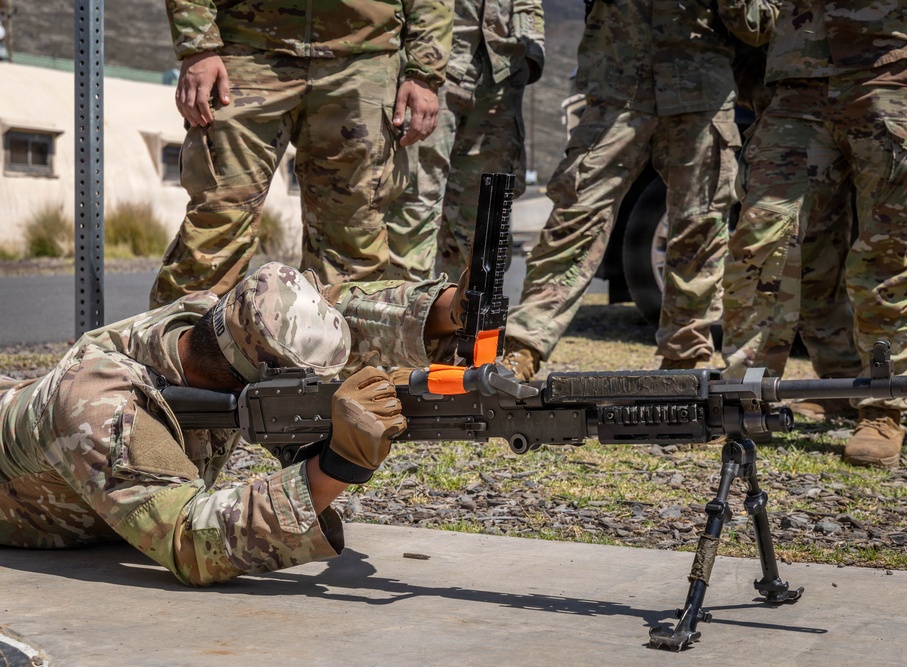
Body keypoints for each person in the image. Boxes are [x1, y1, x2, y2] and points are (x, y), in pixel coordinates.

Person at [0, 263, 463, 585]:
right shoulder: (99, 407)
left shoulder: (218, 324)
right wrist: (337, 467)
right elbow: (190, 542)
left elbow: (323, 309)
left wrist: (448, 310)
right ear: (255, 385)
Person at [719, 0, 907, 467]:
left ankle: (882, 408)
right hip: (797, 83)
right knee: (761, 236)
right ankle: (746, 398)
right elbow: (754, 18)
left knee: (888, 251)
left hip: (890, 72)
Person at [148, 0, 454, 309]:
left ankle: (339, 341)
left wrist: (424, 71)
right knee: (216, 226)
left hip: (363, 57)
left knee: (351, 243)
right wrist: (198, 44)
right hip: (247, 46)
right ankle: (179, 337)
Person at [500, 0, 740, 381]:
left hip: (700, 87)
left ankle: (684, 361)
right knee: (576, 210)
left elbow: (758, 23)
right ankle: (523, 345)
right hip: (618, 81)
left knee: (700, 223)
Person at [385, 0, 545, 282]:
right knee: (414, 201)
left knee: (488, 215)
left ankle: (469, 307)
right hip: (429, 66)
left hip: (501, 72)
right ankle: (411, 305)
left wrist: (531, 52)